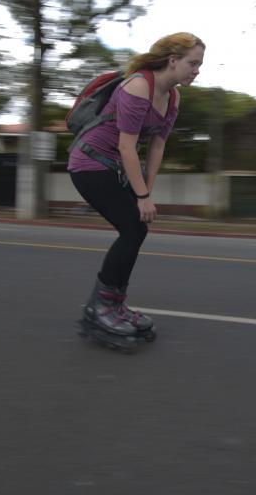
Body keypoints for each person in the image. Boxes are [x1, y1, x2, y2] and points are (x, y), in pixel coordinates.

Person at [69, 32, 205, 348]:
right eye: (193, 63)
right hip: (90, 164)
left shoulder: (173, 97)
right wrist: (141, 196)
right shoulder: (138, 85)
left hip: (115, 167)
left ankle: (113, 305)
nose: (197, 70)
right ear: (173, 61)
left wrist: (147, 192)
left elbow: (157, 148)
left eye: (199, 65)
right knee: (132, 230)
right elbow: (127, 146)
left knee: (137, 228)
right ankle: (100, 308)